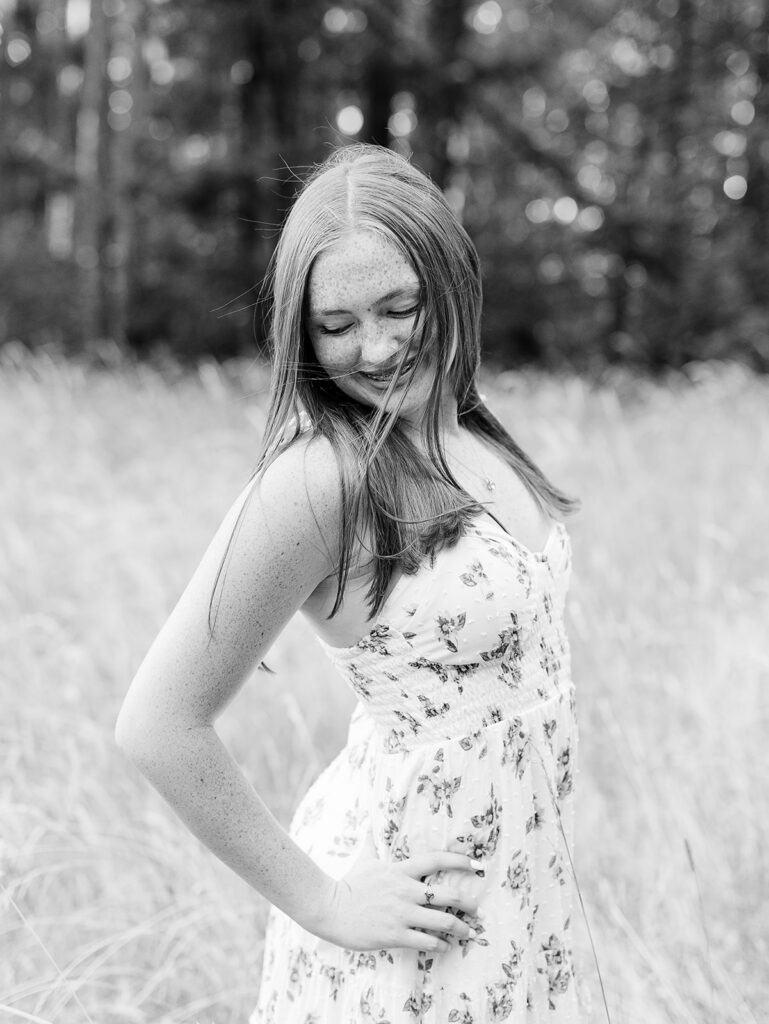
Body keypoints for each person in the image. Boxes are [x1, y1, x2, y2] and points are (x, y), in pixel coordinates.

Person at [115, 143, 584, 1023]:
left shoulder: (464, 431)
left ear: (452, 281)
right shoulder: (321, 480)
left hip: (523, 900)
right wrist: (327, 904)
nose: (374, 349)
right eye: (336, 325)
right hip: (410, 930)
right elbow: (156, 724)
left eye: (401, 307)